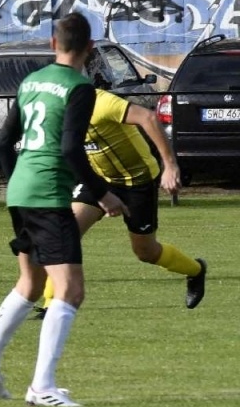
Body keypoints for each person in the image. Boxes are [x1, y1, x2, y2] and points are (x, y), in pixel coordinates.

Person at [0, 13, 126, 407]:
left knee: (30, 284)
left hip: (21, 191)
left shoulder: (31, 82)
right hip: (49, 195)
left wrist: (18, 182)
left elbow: (4, 143)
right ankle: (41, 386)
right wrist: (102, 193)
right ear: (90, 49)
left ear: (54, 44)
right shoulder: (80, 88)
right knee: (70, 290)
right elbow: (71, 148)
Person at [35, 80, 207, 311]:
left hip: (138, 181)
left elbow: (149, 118)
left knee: (145, 252)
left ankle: (195, 270)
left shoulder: (102, 102)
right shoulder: (56, 110)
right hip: (99, 180)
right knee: (65, 233)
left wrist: (170, 165)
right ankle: (50, 305)